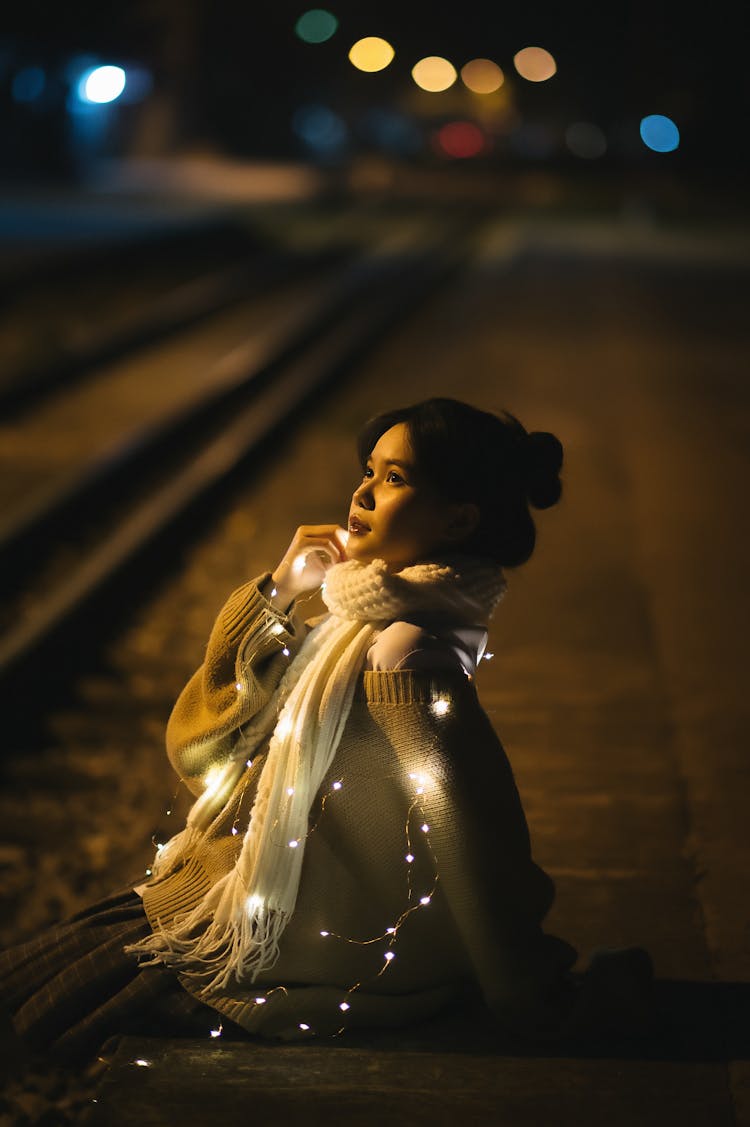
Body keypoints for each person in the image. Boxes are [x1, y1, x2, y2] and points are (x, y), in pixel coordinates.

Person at [0, 397, 655, 1063]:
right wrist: (278, 592)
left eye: (396, 478)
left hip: (287, 944)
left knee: (33, 1010)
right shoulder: (352, 623)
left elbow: (472, 836)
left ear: (459, 518)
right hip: (227, 896)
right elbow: (200, 750)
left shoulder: (406, 654)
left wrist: (522, 988)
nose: (364, 491)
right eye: (369, 470)